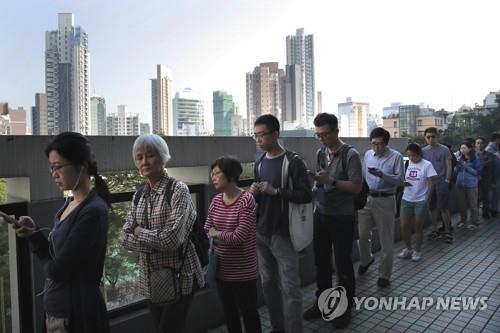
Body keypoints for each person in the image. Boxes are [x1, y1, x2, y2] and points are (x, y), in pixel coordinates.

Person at [14, 132, 110, 333]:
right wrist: (34, 233)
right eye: (51, 168)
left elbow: (57, 270)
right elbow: (57, 255)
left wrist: (39, 247)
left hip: (75, 313)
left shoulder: (92, 211)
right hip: (56, 310)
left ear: (81, 165)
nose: (54, 174)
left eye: (58, 167)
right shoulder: (68, 204)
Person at [121, 134, 204, 333]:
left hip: (180, 276)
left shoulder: (178, 190)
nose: (144, 162)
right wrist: (156, 238)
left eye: (150, 155)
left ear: (163, 156)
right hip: (151, 279)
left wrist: (139, 231)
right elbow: (124, 238)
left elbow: (172, 239)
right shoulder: (139, 195)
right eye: (139, 157)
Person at [249, 114, 312, 333]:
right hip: (261, 232)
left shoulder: (293, 162)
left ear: (275, 134)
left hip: (284, 234)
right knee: (268, 287)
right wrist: (254, 193)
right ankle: (278, 327)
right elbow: (259, 198)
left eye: (262, 135)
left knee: (290, 288)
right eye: (255, 136)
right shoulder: (259, 162)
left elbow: (306, 195)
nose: (258, 140)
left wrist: (276, 191)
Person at [303, 113, 362, 328]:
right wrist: (318, 183)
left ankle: (344, 308)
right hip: (322, 213)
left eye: (326, 134)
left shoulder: (351, 154)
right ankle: (322, 303)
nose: (322, 138)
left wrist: (332, 181)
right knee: (321, 262)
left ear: (337, 132)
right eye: (318, 135)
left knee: (343, 263)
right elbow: (322, 179)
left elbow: (356, 187)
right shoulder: (321, 152)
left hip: (343, 217)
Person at [204, 156, 261, 333]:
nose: (213, 177)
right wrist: (219, 235)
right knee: (229, 314)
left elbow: (239, 237)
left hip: (244, 271)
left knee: (249, 313)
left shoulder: (246, 200)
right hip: (222, 269)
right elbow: (206, 229)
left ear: (230, 175)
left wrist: (217, 234)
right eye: (211, 174)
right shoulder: (216, 200)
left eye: (216, 173)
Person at [357, 128, 403, 287]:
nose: (375, 147)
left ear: (386, 143)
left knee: (386, 238)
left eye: (379, 144)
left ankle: (384, 274)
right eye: (373, 144)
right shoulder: (368, 155)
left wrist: (382, 175)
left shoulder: (396, 157)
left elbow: (399, 181)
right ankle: (366, 259)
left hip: (385, 199)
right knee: (362, 234)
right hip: (367, 198)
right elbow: (362, 176)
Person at [398, 143, 436, 262]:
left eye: (413, 155)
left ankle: (417, 250)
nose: (411, 158)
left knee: (418, 227)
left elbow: (431, 182)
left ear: (419, 154)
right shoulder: (407, 163)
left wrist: (427, 198)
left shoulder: (427, 164)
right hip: (406, 198)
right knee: (404, 225)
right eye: (408, 155)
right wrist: (403, 182)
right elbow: (403, 177)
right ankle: (408, 248)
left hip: (420, 200)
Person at [422, 127, 453, 243]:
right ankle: (434, 230)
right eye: (428, 137)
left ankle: (447, 231)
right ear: (425, 138)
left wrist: (447, 181)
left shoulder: (444, 149)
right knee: (432, 208)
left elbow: (449, 166)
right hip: (429, 184)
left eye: (433, 136)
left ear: (437, 137)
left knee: (444, 208)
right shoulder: (423, 151)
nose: (431, 139)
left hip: (441, 182)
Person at [455, 142, 481, 230]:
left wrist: (466, 167)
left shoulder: (475, 159)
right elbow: (455, 172)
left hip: (471, 185)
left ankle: (475, 222)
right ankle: (463, 221)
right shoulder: (459, 158)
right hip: (460, 184)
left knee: (473, 204)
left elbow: (477, 172)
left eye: (464, 148)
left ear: (469, 149)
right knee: (461, 204)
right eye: (461, 148)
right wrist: (457, 167)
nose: (462, 150)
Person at [475, 137, 495, 219]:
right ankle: (475, 215)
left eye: (481, 143)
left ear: (484, 144)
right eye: (478, 143)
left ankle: (485, 213)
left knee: (486, 197)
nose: (479, 145)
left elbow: (489, 165)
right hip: (475, 179)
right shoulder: (473, 155)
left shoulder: (489, 155)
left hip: (486, 179)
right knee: (476, 198)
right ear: (475, 144)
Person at [485, 133, 500, 217]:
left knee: (496, 194)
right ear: (496, 139)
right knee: (493, 194)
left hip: (496, 175)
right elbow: (489, 165)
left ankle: (494, 209)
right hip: (492, 176)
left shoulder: (495, 149)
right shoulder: (489, 150)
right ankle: (492, 210)